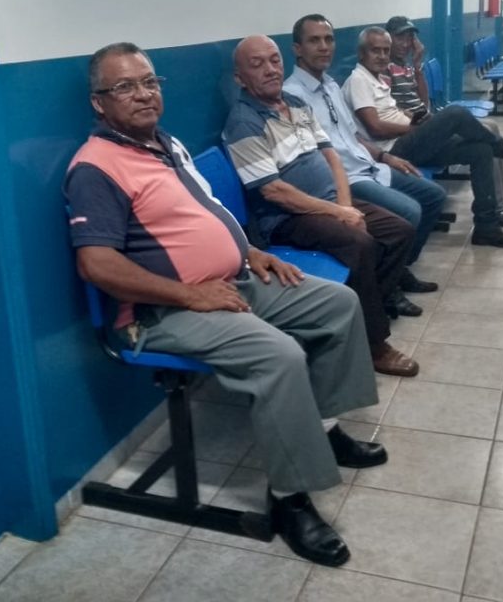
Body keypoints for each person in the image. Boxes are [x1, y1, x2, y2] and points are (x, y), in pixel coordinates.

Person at [65, 42, 387, 567]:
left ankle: (325, 430)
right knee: (280, 355)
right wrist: (190, 294)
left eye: (149, 82)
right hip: (161, 313)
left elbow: (205, 211)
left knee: (338, 304)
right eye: (124, 87)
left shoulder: (164, 144)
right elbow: (96, 265)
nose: (143, 94)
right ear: (99, 103)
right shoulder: (95, 168)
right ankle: (290, 501)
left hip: (230, 280)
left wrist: (250, 251)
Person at [224, 34, 420, 377]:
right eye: (257, 65)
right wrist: (338, 213)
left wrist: (344, 204)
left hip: (330, 202)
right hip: (286, 218)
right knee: (360, 243)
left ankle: (362, 311)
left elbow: (332, 157)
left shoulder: (295, 102)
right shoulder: (243, 122)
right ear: (240, 78)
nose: (270, 69)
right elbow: (274, 191)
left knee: (400, 230)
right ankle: (374, 344)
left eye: (274, 60)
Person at [282, 13, 446, 305]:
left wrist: (385, 156)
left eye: (328, 39)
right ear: (297, 49)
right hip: (346, 178)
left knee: (433, 196)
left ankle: (398, 269)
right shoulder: (292, 96)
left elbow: (353, 135)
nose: (324, 47)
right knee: (409, 212)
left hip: (370, 165)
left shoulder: (331, 86)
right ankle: (388, 289)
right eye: (314, 40)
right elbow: (312, 156)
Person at [343, 26, 503, 248]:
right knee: (455, 114)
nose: (382, 56)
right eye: (375, 50)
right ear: (361, 53)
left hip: (408, 139)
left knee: (481, 151)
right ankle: (501, 146)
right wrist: (413, 130)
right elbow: (375, 127)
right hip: (393, 150)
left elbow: (392, 112)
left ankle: (487, 226)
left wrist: (416, 120)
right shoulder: (358, 80)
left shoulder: (376, 79)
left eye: (386, 51)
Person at [385, 15, 503, 225]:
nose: (405, 44)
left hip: (425, 123)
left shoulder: (407, 67)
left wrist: (417, 66)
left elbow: (423, 104)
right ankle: (498, 206)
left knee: (491, 127)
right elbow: (389, 109)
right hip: (412, 134)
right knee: (483, 136)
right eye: (400, 38)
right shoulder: (385, 69)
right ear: (388, 38)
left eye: (409, 38)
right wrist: (414, 118)